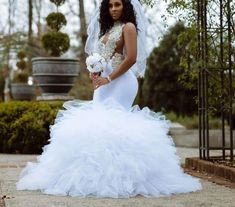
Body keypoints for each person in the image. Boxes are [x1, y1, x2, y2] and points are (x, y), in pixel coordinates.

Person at [16, 0, 202, 198]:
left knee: (116, 124)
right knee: (98, 124)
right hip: (103, 83)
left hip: (121, 81)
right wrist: (94, 72)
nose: (114, 9)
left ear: (125, 6)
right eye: (111, 5)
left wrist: (109, 77)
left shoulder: (128, 27)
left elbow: (131, 58)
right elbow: (101, 57)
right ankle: (94, 176)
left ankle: (125, 179)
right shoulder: (107, 29)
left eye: (118, 4)